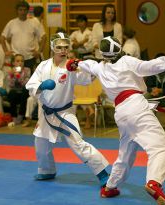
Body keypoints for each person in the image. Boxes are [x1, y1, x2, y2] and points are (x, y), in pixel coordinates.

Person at [68, 36, 165, 205]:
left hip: (121, 113)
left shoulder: (100, 66)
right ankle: (154, 181)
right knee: (161, 148)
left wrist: (74, 63)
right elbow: (148, 66)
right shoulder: (127, 61)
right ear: (119, 48)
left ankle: (110, 187)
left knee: (126, 153)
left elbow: (87, 64)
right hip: (136, 107)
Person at [25, 32, 110, 186]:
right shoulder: (43, 65)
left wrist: (92, 69)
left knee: (77, 143)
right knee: (41, 143)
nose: (63, 50)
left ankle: (102, 173)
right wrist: (41, 86)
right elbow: (30, 85)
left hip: (65, 112)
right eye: (59, 47)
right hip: (46, 112)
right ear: (52, 48)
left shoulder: (71, 66)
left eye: (65, 47)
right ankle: (47, 170)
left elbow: (85, 79)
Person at [0, 0, 46, 72]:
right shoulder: (12, 23)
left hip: (30, 58)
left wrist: (39, 51)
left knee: (30, 80)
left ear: (28, 11)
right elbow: (2, 37)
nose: (22, 12)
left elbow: (44, 36)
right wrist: (6, 51)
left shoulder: (33, 23)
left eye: (24, 10)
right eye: (20, 10)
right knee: (17, 79)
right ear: (17, 11)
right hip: (16, 59)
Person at [6, 54, 31, 126]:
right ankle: (14, 117)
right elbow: (10, 85)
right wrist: (12, 75)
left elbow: (26, 84)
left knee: (25, 91)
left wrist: (18, 76)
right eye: (17, 61)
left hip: (23, 92)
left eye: (22, 61)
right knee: (12, 92)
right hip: (14, 92)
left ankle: (20, 115)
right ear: (13, 63)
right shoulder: (10, 70)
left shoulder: (27, 70)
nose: (20, 63)